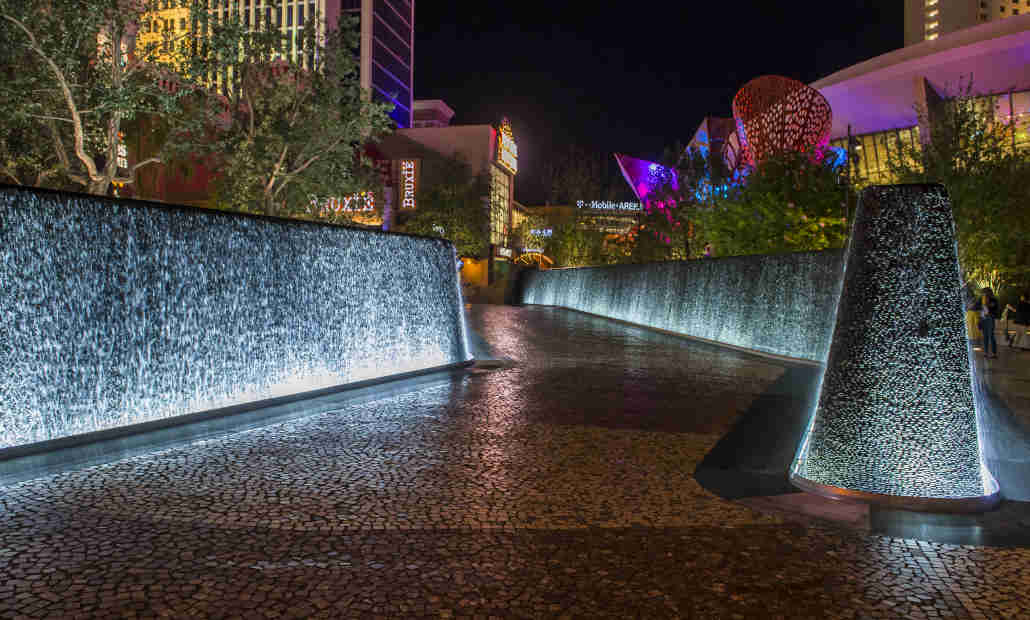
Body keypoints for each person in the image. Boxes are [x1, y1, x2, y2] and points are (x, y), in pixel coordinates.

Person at [975, 287, 1001, 358]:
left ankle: (994, 353)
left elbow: (995, 308)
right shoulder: (981, 299)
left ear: (989, 293)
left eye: (984, 292)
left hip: (990, 318)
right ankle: (986, 352)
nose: (983, 294)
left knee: (991, 335)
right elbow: (976, 306)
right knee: (985, 336)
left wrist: (988, 304)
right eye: (983, 293)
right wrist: (979, 306)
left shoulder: (993, 300)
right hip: (983, 318)